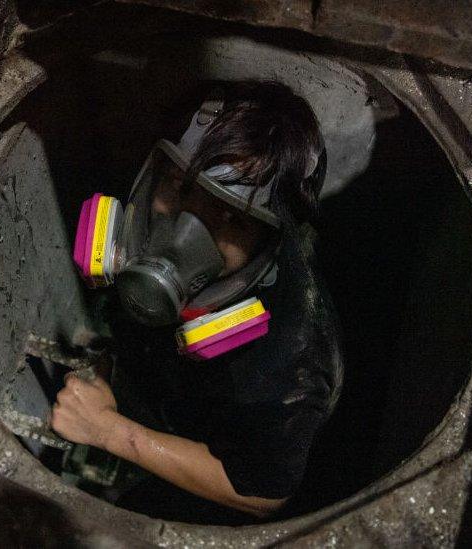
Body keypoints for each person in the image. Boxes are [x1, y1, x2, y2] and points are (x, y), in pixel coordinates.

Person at [53, 81, 343, 524]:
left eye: (230, 218)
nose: (184, 233)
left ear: (268, 242)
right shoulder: (148, 218)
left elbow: (264, 494)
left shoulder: (285, 362)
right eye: (181, 188)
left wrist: (112, 433)